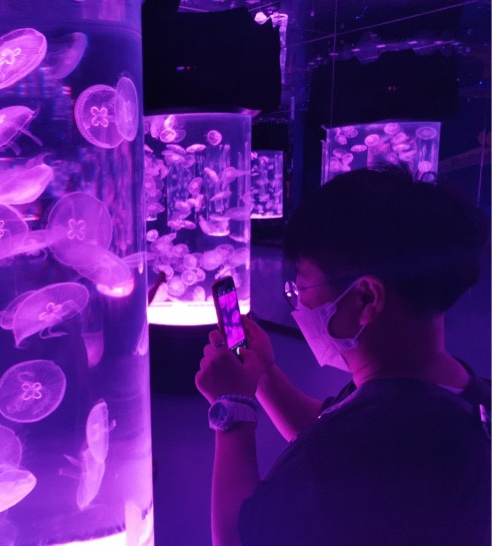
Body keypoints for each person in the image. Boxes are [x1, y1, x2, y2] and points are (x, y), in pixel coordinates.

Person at [195, 166, 491, 546]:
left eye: (302, 286)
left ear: (365, 298)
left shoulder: (368, 453)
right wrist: (264, 372)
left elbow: (236, 539)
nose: (299, 303)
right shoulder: (449, 391)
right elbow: (326, 424)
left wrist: (232, 410)